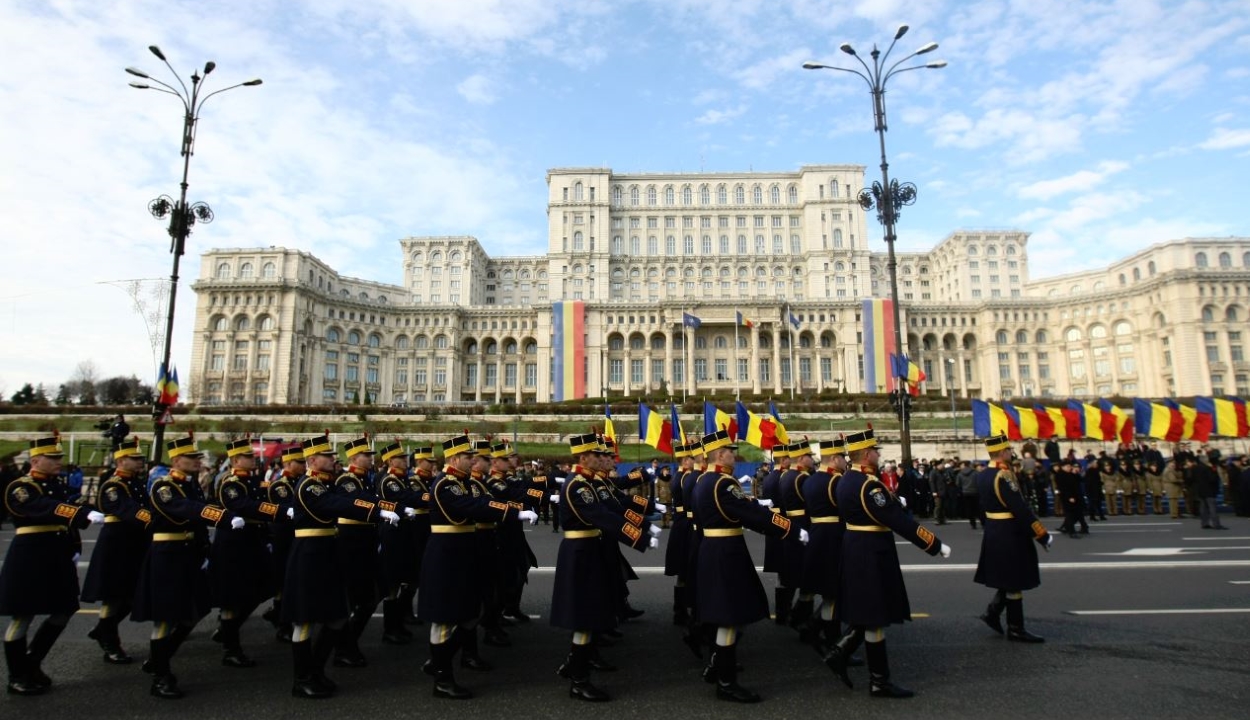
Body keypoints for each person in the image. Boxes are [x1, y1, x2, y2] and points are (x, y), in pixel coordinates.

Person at [823, 428, 950, 699]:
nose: (879, 455)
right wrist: (933, 544)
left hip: (855, 549)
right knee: (875, 613)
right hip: (872, 553)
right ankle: (877, 680)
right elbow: (898, 521)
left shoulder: (846, 480)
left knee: (870, 613)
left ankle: (843, 654)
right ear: (867, 454)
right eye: (876, 451)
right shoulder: (869, 485)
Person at [283, 435, 399, 699]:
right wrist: (376, 511)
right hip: (308, 557)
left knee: (336, 616)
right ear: (312, 460)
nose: (332, 460)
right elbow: (337, 504)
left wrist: (381, 507)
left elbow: (351, 500)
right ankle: (301, 679)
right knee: (304, 620)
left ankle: (315, 670)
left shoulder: (327, 484)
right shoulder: (309, 485)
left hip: (326, 554)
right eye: (327, 456)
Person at [132, 433, 245, 699]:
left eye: (197, 457)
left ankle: (159, 659)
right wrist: (222, 516)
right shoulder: (164, 485)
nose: (197, 461)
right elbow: (184, 509)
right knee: (166, 616)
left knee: (193, 611)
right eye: (192, 458)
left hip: (188, 553)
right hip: (167, 555)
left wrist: (204, 548)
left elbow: (197, 513)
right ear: (177, 460)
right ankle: (160, 676)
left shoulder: (191, 484)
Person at [420, 435, 532, 700]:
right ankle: (442, 678)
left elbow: (483, 502)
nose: (474, 460)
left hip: (462, 554)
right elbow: (474, 506)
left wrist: (511, 507)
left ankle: (439, 663)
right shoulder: (446, 485)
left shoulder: (464, 483)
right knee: (445, 619)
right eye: (469, 457)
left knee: (469, 614)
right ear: (455, 459)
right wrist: (512, 511)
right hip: (446, 556)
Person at [691, 430, 794, 703]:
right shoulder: (724, 483)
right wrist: (787, 528)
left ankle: (717, 667)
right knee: (730, 617)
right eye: (729, 451)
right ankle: (726, 683)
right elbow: (748, 515)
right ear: (719, 454)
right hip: (726, 553)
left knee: (726, 615)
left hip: (712, 550)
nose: (733, 456)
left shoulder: (703, 480)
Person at [551, 434, 654, 702]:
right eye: (597, 455)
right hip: (580, 554)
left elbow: (614, 506)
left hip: (591, 550)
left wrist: (643, 524)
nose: (604, 459)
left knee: (591, 612)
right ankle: (578, 680)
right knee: (584, 617)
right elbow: (602, 516)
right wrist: (639, 536)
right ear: (583, 457)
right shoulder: (578, 486)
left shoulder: (591, 483)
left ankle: (574, 667)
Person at [1, 435, 101, 695]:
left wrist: (76, 544)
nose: (59, 461)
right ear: (35, 460)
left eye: (59, 457)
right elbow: (43, 507)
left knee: (64, 609)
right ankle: (17, 674)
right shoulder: (20, 487)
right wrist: (80, 513)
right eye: (53, 458)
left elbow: (71, 506)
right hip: (30, 557)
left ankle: (32, 661)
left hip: (57, 555)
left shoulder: (58, 485)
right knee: (23, 615)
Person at [975, 434, 1052, 643]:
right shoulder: (1004, 475)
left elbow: (982, 506)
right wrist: (1041, 534)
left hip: (993, 530)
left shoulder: (982, 474)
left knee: (1008, 577)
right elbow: (1020, 509)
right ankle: (1016, 628)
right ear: (1002, 452)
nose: (1011, 452)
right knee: (1015, 580)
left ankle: (992, 613)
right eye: (1009, 449)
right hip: (1010, 532)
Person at [81, 438, 152, 664]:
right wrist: (156, 520)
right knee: (114, 595)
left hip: (135, 543)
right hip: (117, 544)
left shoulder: (136, 482)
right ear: (121, 460)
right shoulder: (114, 485)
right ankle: (110, 641)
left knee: (131, 595)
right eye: (135, 458)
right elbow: (127, 509)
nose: (140, 461)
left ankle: (103, 629)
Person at [211, 438, 279, 668]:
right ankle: (231, 647)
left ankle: (228, 629)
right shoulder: (230, 483)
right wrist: (278, 512)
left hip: (253, 540)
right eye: (248, 456)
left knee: (261, 589)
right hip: (234, 544)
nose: (253, 459)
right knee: (233, 597)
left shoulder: (252, 480)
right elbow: (245, 506)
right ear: (236, 460)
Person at [1188, 455, 1228, 530]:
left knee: (1203, 507)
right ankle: (1216, 524)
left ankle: (1204, 523)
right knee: (1212, 507)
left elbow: (1190, 479)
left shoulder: (1194, 468)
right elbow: (1212, 479)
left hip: (1200, 490)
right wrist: (1214, 472)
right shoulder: (1207, 468)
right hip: (1209, 490)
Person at [1053, 460, 1088, 538]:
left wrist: (1076, 473)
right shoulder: (1060, 475)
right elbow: (1063, 488)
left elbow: (1079, 480)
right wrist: (1069, 497)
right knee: (1070, 515)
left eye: (1070, 466)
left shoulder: (1070, 474)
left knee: (1078, 513)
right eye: (1068, 466)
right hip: (1068, 498)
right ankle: (1071, 531)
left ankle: (1082, 527)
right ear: (1062, 467)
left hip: (1076, 496)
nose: (1070, 468)